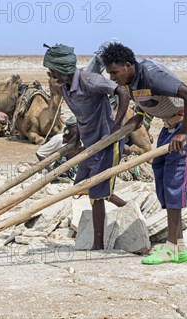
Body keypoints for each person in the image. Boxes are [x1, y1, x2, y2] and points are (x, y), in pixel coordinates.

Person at [101, 42, 187, 265]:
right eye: (109, 73)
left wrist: (185, 132)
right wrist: (139, 116)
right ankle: (179, 247)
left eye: (114, 72)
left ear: (128, 65)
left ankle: (170, 248)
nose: (112, 77)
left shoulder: (151, 75)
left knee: (174, 179)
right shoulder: (130, 81)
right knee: (159, 171)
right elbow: (146, 101)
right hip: (169, 126)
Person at [43, 43, 130, 250]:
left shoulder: (89, 80)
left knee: (97, 193)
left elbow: (123, 93)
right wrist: (76, 140)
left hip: (108, 144)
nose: (49, 73)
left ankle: (98, 245)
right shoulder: (64, 88)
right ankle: (127, 208)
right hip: (90, 144)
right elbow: (81, 116)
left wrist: (116, 127)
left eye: (52, 69)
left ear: (62, 69)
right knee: (81, 186)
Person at [35, 116, 79, 182]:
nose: (79, 131)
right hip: (54, 168)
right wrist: (51, 173)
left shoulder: (77, 141)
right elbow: (39, 153)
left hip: (67, 168)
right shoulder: (59, 139)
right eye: (76, 128)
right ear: (69, 129)